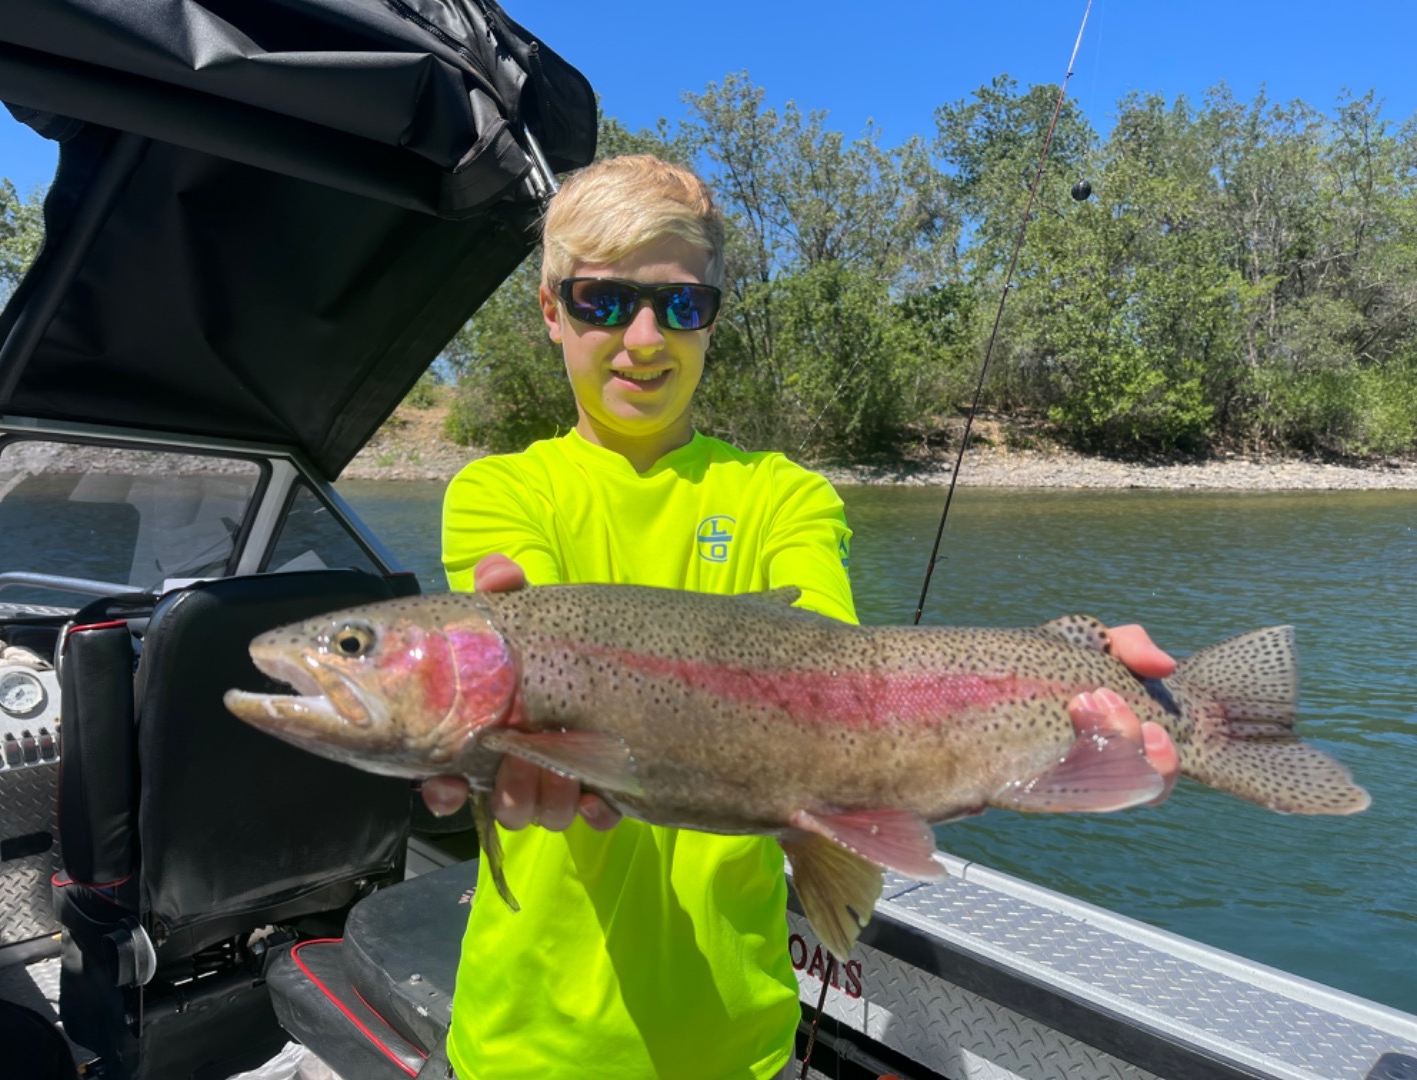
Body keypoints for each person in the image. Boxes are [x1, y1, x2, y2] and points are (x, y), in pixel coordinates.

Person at [421, 154, 1179, 1080]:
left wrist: (1069, 676)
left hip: (740, 1046)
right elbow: (535, 638)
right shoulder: (499, 490)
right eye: (604, 302)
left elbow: (839, 687)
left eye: (683, 305)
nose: (646, 338)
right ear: (551, 311)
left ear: (714, 318)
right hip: (524, 1046)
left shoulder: (788, 497)